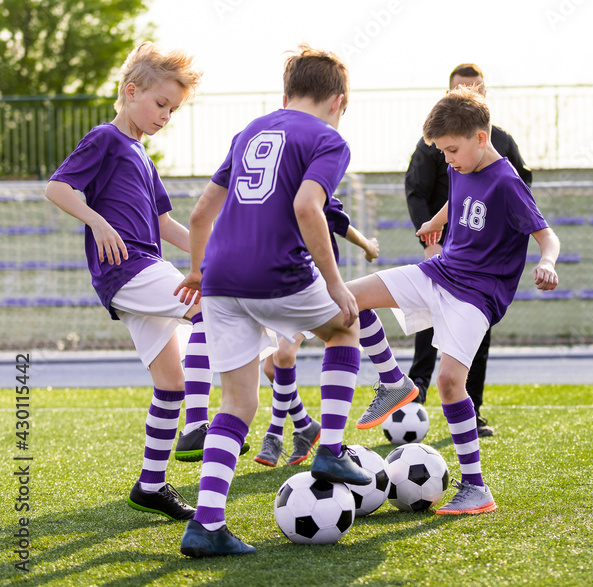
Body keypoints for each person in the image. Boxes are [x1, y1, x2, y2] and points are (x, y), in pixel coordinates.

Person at [174, 46, 389, 557]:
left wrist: (199, 271)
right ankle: (331, 450)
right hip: (275, 269)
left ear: (286, 93)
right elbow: (306, 206)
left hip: (221, 276)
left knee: (237, 403)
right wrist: (336, 283)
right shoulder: (329, 138)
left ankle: (205, 526)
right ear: (340, 100)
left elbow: (202, 213)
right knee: (344, 328)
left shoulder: (250, 131)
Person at [348, 85, 560, 515]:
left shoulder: (507, 183)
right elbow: (459, 196)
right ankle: (394, 382)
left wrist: (548, 262)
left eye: (451, 150)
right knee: (351, 298)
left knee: (448, 383)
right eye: (443, 151)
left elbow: (546, 233)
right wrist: (434, 219)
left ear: (481, 139)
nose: (447, 159)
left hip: (476, 296)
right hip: (439, 271)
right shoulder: (460, 164)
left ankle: (476, 487)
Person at [45, 42, 205, 522]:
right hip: (130, 268)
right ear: (131, 91)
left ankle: (150, 486)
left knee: (171, 385)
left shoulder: (143, 156)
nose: (166, 116)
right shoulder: (105, 138)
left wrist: (209, 252)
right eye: (161, 104)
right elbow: (57, 187)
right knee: (210, 310)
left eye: (173, 110)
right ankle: (199, 426)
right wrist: (98, 222)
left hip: (144, 269)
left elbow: (166, 226)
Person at [404, 63, 533, 437]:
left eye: (475, 89)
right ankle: (415, 394)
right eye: (460, 89)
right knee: (428, 318)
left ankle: (471, 408)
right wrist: (431, 241)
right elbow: (417, 192)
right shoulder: (431, 147)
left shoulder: (503, 144)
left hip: (484, 264)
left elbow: (522, 197)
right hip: (445, 253)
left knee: (475, 330)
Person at [255, 217, 417, 466]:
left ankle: (274, 434)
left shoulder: (308, 190)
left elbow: (339, 221)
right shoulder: (272, 197)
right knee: (270, 369)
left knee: (285, 354)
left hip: (309, 287)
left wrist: (367, 245)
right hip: (277, 288)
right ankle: (305, 425)